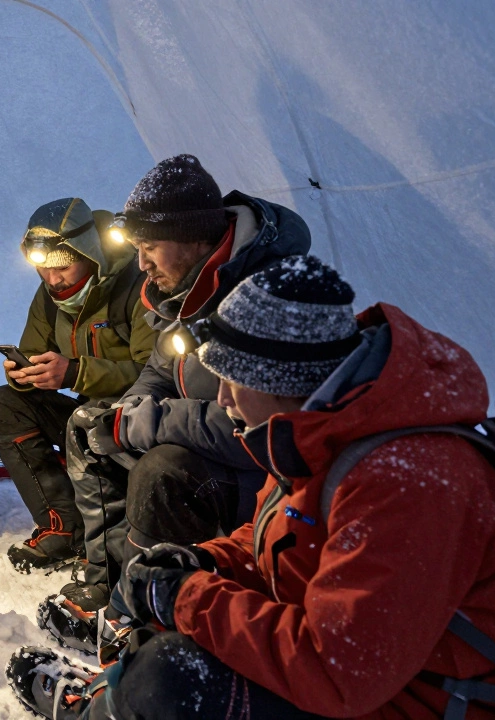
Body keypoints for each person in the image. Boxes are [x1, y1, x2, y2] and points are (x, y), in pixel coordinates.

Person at [8, 255, 495, 720]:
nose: (224, 400)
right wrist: (207, 564)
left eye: (231, 382)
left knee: (170, 678)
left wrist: (188, 597)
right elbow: (284, 538)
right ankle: (115, 699)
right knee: (178, 633)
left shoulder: (410, 483)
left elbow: (338, 673)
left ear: (277, 381)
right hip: (367, 677)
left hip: (422, 702)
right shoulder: (321, 431)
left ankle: (117, 706)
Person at [44, 154, 311, 653]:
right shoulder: (186, 288)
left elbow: (255, 423)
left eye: (150, 248)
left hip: (264, 472)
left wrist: (148, 422)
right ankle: (112, 584)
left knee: (164, 470)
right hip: (205, 445)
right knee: (91, 425)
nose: (141, 263)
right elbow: (160, 369)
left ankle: (138, 620)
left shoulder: (266, 293)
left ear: (192, 238)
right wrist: (128, 413)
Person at [0, 198, 155, 572]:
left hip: (141, 419)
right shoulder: (49, 297)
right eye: (43, 269)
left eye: (62, 266)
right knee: (4, 403)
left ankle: (110, 550)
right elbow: (32, 351)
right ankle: (62, 528)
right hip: (86, 413)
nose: (52, 279)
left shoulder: (137, 285)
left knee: (87, 419)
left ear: (89, 253)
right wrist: (25, 375)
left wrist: (75, 373)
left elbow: (154, 373)